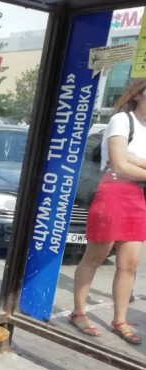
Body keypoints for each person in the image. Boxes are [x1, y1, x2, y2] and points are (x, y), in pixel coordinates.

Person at [70, 79, 146, 345]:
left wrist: (134, 161)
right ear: (138, 95)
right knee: (95, 257)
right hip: (112, 191)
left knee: (129, 264)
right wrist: (133, 162)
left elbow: (129, 161)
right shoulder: (122, 120)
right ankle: (79, 312)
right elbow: (119, 164)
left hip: (137, 195)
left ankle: (120, 320)